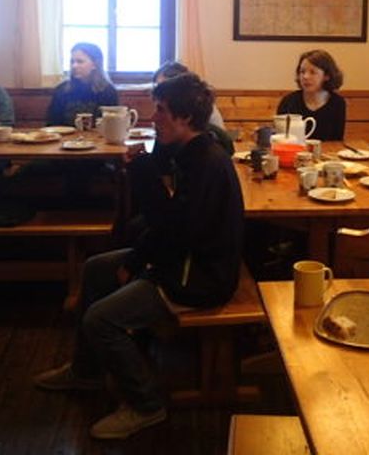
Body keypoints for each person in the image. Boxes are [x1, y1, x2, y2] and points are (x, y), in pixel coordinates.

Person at [33, 73, 244, 440]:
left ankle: (146, 405)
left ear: (185, 117)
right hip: (182, 259)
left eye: (160, 110)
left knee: (101, 319)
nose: (153, 118)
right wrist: (136, 258)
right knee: (96, 269)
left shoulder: (207, 164)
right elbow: (167, 225)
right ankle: (86, 371)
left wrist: (138, 264)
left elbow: (177, 232)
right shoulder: (189, 152)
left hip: (200, 277)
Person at [276, 49, 346, 141]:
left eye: (312, 72)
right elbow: (280, 138)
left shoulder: (337, 103)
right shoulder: (288, 101)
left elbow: (336, 140)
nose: (305, 77)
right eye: (302, 72)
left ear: (327, 76)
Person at [46, 42, 119, 127]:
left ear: (95, 65)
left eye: (80, 62)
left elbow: (111, 125)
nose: (74, 66)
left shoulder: (107, 91)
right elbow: (52, 124)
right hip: (66, 135)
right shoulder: (62, 89)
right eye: (72, 61)